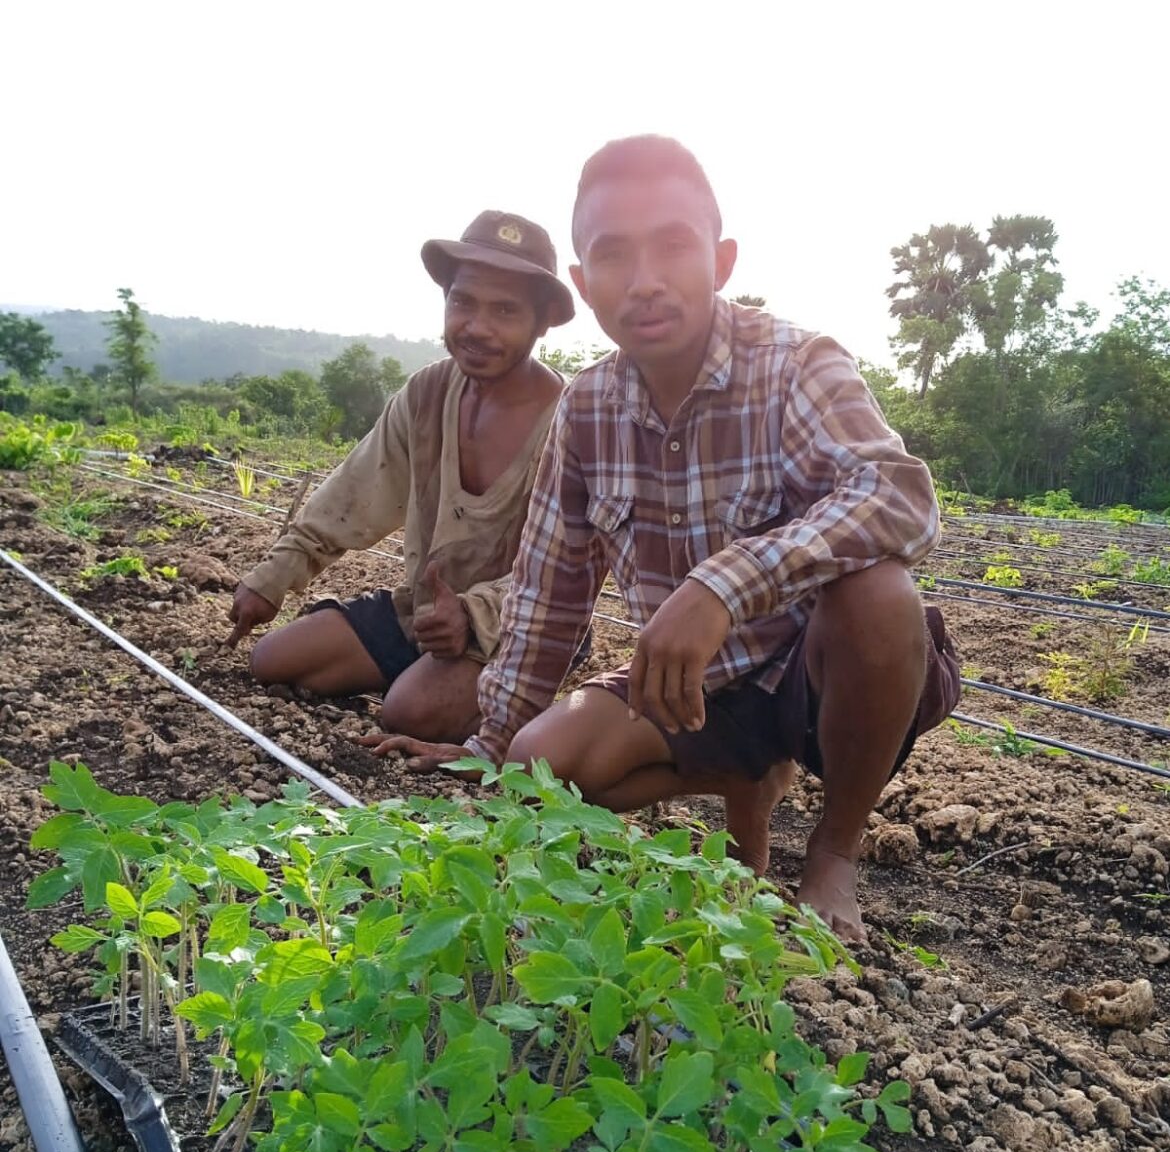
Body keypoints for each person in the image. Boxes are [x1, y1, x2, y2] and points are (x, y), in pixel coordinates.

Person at [372, 137, 960, 942]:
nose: (644, 280)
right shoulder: (586, 410)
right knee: (540, 767)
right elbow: (549, 597)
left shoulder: (796, 364)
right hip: (693, 687)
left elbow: (898, 496)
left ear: (719, 261)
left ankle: (831, 854)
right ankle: (747, 774)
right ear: (583, 283)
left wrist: (725, 582)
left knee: (880, 593)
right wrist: (488, 745)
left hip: (816, 672)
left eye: (673, 247)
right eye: (613, 255)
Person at [225, 210, 575, 744]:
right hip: (427, 612)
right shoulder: (428, 394)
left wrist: (475, 613)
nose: (477, 328)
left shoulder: (573, 421)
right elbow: (352, 494)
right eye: (463, 303)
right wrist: (272, 579)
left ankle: (479, 693)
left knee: (409, 713)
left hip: (523, 625)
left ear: (544, 319)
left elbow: (567, 573)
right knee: (273, 660)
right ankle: (432, 675)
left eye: (504, 310)